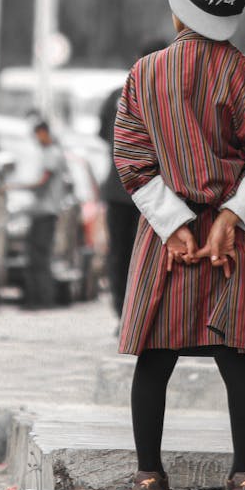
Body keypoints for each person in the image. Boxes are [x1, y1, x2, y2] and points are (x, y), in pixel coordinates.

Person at [113, 0, 245, 490]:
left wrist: (174, 225)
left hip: (166, 239)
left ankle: (148, 477)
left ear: (176, 9)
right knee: (236, 358)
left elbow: (132, 160)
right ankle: (244, 476)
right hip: (227, 243)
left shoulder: (145, 74)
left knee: (155, 358)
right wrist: (230, 220)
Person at [98, 40, 168, 319]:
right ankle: (148, 315)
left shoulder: (116, 95)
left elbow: (105, 137)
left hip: (119, 190)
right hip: (158, 193)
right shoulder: (172, 97)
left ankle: (124, 314)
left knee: (121, 254)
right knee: (154, 256)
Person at [12, 119, 67, 310]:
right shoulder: (49, 153)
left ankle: (41, 300)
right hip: (41, 213)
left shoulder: (52, 153)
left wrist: (16, 186)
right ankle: (37, 299)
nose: (35, 139)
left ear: (43, 132)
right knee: (36, 257)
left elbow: (43, 182)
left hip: (45, 213)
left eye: (36, 134)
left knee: (39, 258)